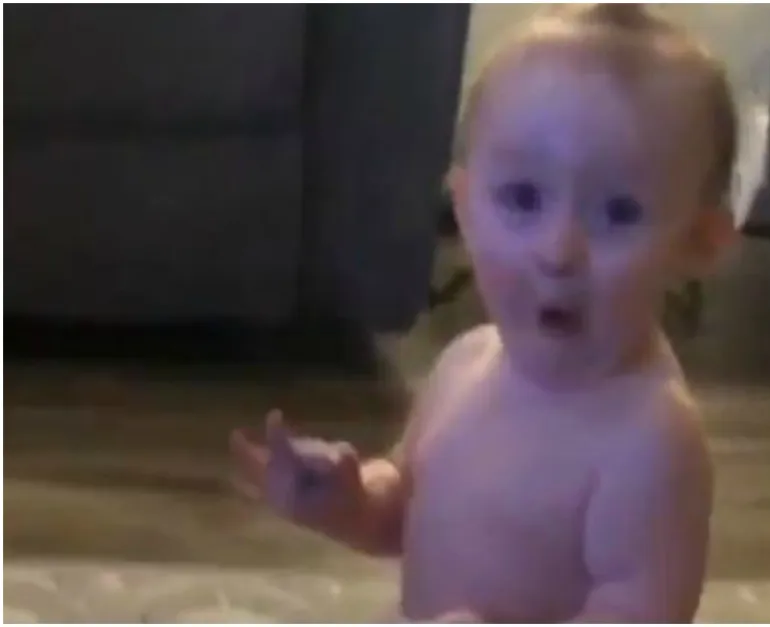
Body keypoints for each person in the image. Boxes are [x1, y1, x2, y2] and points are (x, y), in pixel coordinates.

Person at [231, 4, 735, 622]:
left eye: (619, 213)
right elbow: (405, 507)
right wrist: (351, 499)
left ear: (699, 244)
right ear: (466, 208)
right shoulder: (464, 363)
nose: (559, 250)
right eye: (523, 198)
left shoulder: (651, 444)